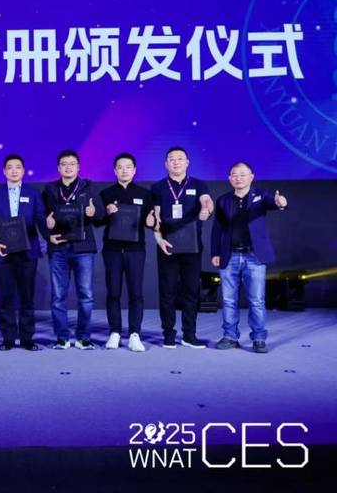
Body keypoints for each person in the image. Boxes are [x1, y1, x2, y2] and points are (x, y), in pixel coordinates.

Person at [211, 162, 287, 354]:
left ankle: (259, 338)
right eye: (234, 175)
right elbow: (217, 229)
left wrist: (280, 203)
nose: (238, 178)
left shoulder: (262, 195)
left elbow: (274, 203)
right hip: (229, 255)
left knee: (257, 300)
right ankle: (230, 336)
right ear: (229, 178)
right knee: (228, 300)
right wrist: (215, 253)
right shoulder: (223, 200)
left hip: (254, 256)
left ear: (251, 177)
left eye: (242, 174)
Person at [150, 146, 214, 349]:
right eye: (172, 159)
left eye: (180, 158)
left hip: (192, 247)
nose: (176, 162)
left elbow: (206, 201)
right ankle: (168, 334)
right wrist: (158, 239)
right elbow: (156, 217)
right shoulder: (158, 187)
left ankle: (189, 334)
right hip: (167, 246)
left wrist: (206, 210)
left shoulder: (199, 184)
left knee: (191, 291)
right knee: (167, 292)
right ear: (166, 164)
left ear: (187, 162)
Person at [0, 154, 49, 351]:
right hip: (3, 252)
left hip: (27, 252)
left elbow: (40, 219)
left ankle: (27, 338)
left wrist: (50, 233)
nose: (14, 171)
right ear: (4, 171)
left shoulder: (33, 193)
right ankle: (8, 338)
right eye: (10, 167)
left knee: (27, 297)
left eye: (18, 167)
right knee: (6, 297)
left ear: (23, 171)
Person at [41, 150, 103, 350]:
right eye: (64, 164)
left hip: (83, 248)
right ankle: (62, 337)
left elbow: (101, 217)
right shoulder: (50, 189)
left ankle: (84, 337)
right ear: (58, 168)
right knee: (58, 296)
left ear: (78, 167)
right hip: (58, 247)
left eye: (72, 164)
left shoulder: (89, 187)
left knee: (86, 295)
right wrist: (47, 226)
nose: (68, 167)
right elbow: (42, 217)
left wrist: (94, 212)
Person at [98, 153, 153, 352]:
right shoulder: (105, 193)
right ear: (115, 171)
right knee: (113, 292)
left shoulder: (145, 194)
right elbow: (97, 222)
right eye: (120, 167)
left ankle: (134, 334)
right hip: (112, 250)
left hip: (135, 250)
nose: (124, 170)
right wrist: (106, 212)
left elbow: (151, 221)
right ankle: (114, 332)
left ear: (134, 170)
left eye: (128, 167)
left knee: (135, 293)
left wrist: (151, 222)